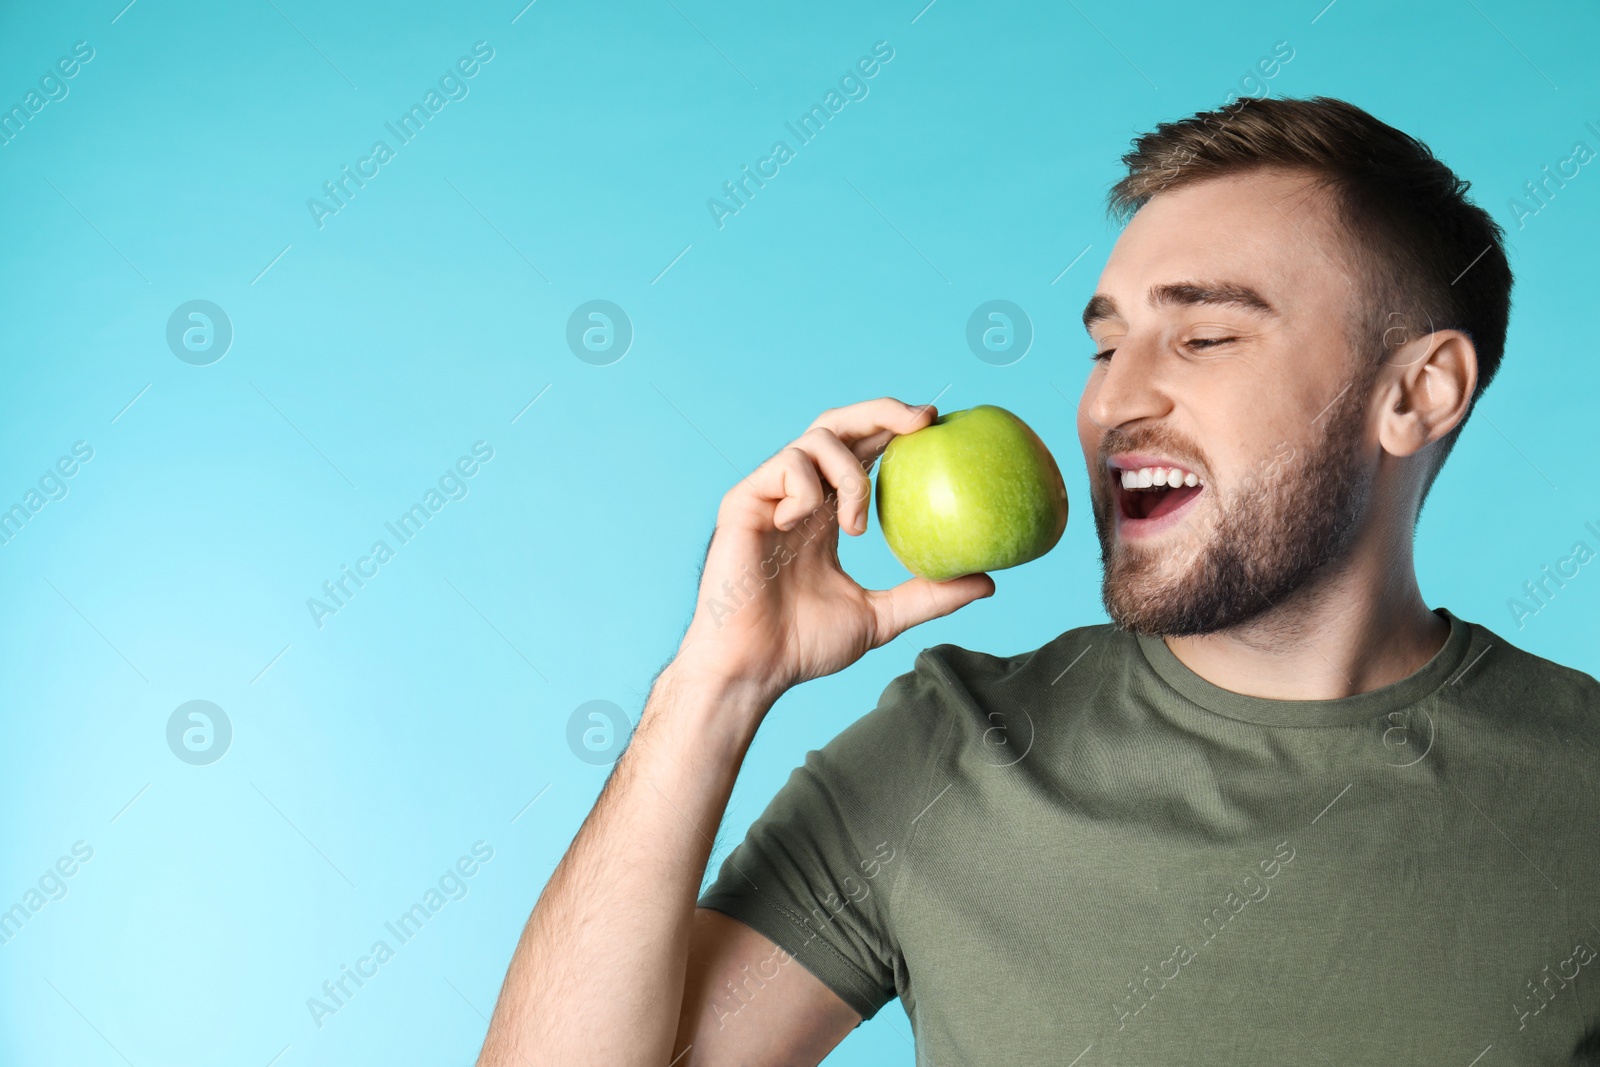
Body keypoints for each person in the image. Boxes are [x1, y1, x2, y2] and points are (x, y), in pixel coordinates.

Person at [475, 96, 1600, 1066]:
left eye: (1203, 336)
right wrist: (713, 680)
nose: (1115, 402)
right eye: (1106, 347)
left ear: (1417, 391)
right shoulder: (949, 747)